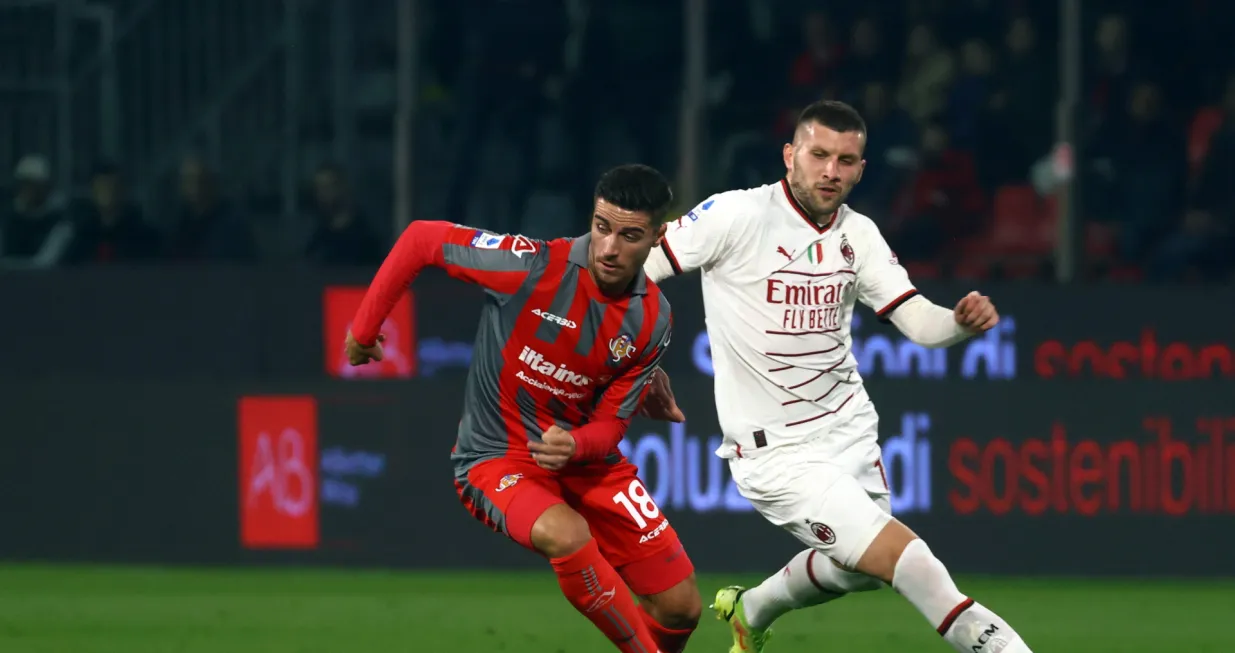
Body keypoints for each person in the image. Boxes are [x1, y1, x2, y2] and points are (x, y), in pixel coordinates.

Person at [640, 101, 1036, 653]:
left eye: (846, 160)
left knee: (859, 570)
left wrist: (958, 323)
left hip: (849, 432)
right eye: (819, 155)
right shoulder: (735, 215)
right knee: (909, 560)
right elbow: (638, 268)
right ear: (790, 155)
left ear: (861, 169)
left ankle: (750, 611)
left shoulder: (861, 234)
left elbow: (917, 320)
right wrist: (640, 358)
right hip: (776, 453)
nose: (831, 171)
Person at [345, 164, 699, 653]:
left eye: (630, 235)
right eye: (602, 227)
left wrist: (576, 443)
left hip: (587, 462)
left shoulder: (653, 318)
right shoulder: (532, 266)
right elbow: (422, 238)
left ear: (658, 237)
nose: (610, 247)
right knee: (566, 533)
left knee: (682, 606)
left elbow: (613, 424)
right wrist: (364, 331)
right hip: (496, 458)